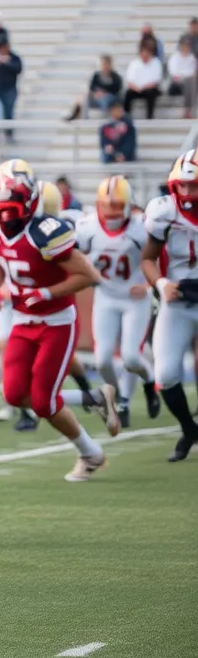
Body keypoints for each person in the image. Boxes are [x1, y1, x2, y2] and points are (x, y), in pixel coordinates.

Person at [0, 159, 119, 482]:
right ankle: (95, 398)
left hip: (56, 321)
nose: (5, 216)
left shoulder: (46, 233)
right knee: (14, 394)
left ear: (29, 203)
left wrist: (47, 293)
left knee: (44, 402)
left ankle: (90, 454)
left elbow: (88, 275)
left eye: (11, 208)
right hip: (22, 320)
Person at [75, 176, 158, 429]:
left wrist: (149, 285)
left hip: (135, 300)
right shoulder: (87, 226)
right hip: (106, 297)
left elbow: (158, 257)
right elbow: (74, 255)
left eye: (116, 204)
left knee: (132, 357)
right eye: (106, 204)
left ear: (127, 205)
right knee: (102, 360)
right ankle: (121, 400)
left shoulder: (141, 228)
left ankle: (149, 381)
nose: (110, 210)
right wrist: (87, 271)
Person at [140, 150, 198, 462]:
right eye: (183, 186)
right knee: (167, 373)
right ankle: (189, 429)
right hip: (177, 301)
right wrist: (161, 284)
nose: (188, 194)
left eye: (194, 186)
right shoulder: (164, 211)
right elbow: (148, 258)